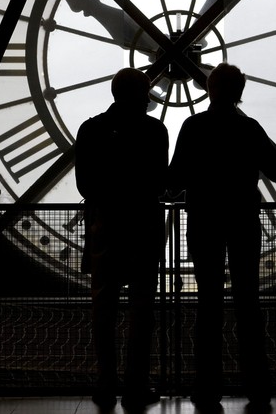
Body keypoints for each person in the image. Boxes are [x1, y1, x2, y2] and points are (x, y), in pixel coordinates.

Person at [168, 63, 276, 413]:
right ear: (239, 93)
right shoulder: (248, 129)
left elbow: (175, 178)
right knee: (248, 303)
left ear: (209, 89)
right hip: (242, 221)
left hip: (204, 221)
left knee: (208, 304)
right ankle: (257, 387)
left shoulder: (193, 127)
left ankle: (207, 387)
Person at [75, 67, 169, 410]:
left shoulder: (91, 130)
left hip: (105, 229)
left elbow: (86, 185)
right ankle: (136, 384)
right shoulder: (154, 131)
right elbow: (159, 184)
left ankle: (106, 382)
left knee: (104, 309)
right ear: (141, 95)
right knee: (141, 311)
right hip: (142, 229)